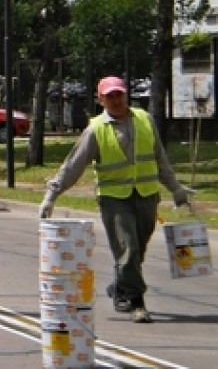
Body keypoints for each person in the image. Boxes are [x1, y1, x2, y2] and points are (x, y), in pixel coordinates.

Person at [38, 75, 194, 324]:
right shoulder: (96, 129)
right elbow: (73, 165)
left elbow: (160, 158)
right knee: (128, 249)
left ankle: (119, 288)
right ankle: (136, 302)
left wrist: (176, 189)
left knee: (136, 252)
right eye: (109, 96)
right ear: (100, 99)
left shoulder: (144, 119)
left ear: (125, 95)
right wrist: (52, 194)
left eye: (118, 94)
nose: (115, 99)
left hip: (146, 196)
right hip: (114, 200)